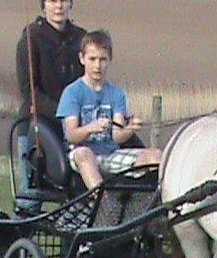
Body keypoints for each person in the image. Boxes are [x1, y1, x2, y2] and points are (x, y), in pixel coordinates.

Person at [56, 30, 162, 190]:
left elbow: (118, 136)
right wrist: (91, 127)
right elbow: (71, 135)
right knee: (84, 154)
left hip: (111, 154)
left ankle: (150, 203)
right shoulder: (72, 92)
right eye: (92, 59)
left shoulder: (117, 94)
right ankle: (101, 201)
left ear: (109, 60)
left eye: (102, 59)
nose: (97, 65)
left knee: (156, 156)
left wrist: (130, 128)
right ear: (82, 59)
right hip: (82, 154)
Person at [15, 0, 85, 198]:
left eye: (64, 0)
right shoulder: (31, 38)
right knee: (31, 198)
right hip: (37, 125)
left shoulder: (81, 38)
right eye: (53, 1)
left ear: (70, 4)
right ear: (43, 6)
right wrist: (63, 113)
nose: (58, 6)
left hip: (75, 128)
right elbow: (29, 90)